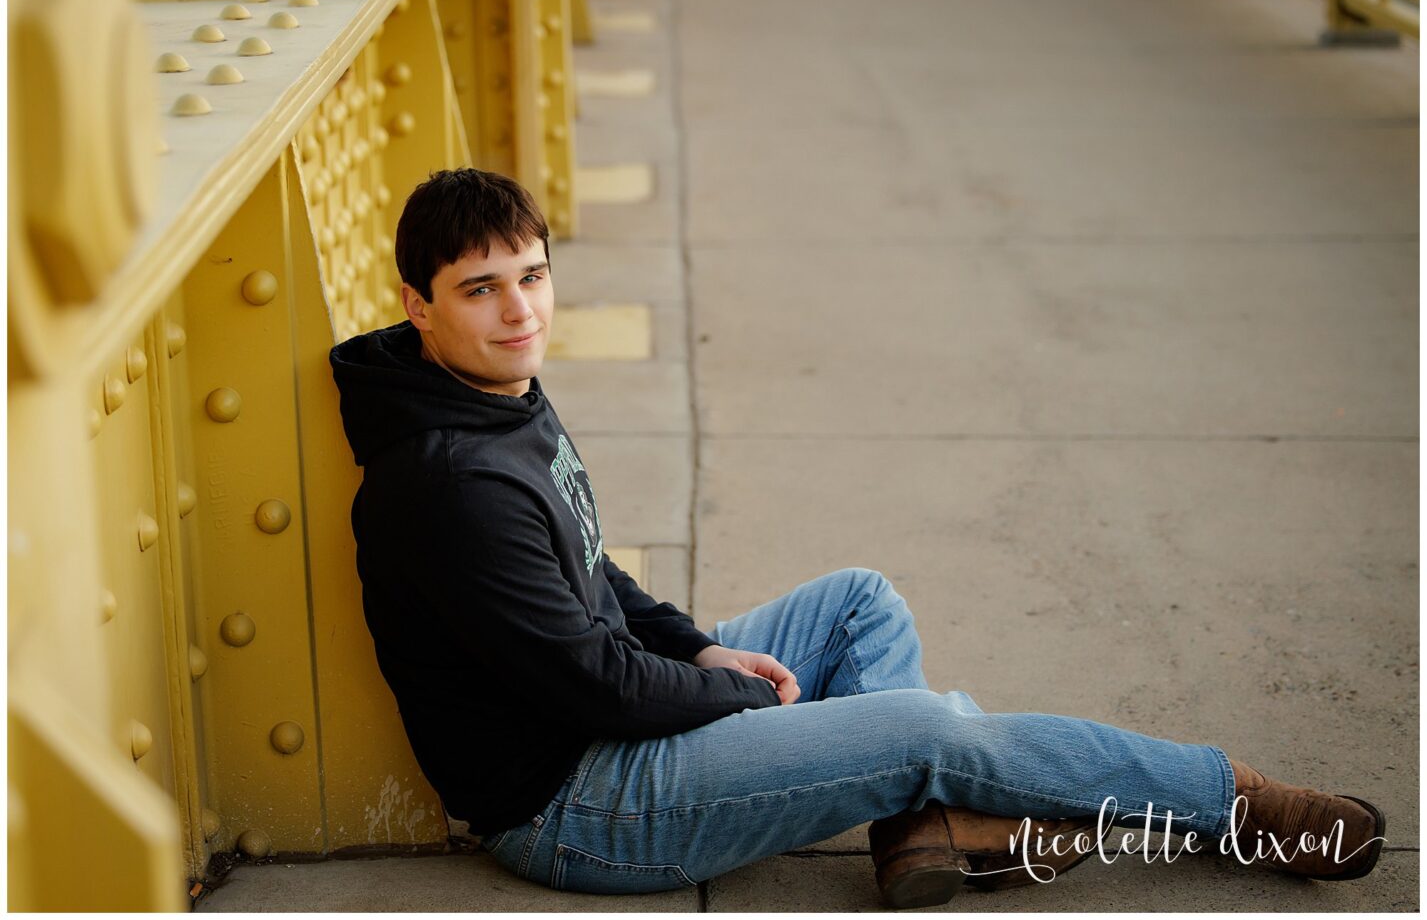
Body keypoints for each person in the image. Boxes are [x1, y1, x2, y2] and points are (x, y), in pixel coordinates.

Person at [330, 168, 1385, 906]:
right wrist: (748, 695)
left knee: (858, 602)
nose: (519, 310)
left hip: (615, 719)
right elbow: (595, 688)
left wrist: (698, 648)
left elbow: (587, 563)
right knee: (923, 725)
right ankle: (1229, 801)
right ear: (418, 305)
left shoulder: (487, 389)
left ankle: (924, 830)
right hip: (583, 805)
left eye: (531, 275)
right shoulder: (450, 485)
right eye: (480, 290)